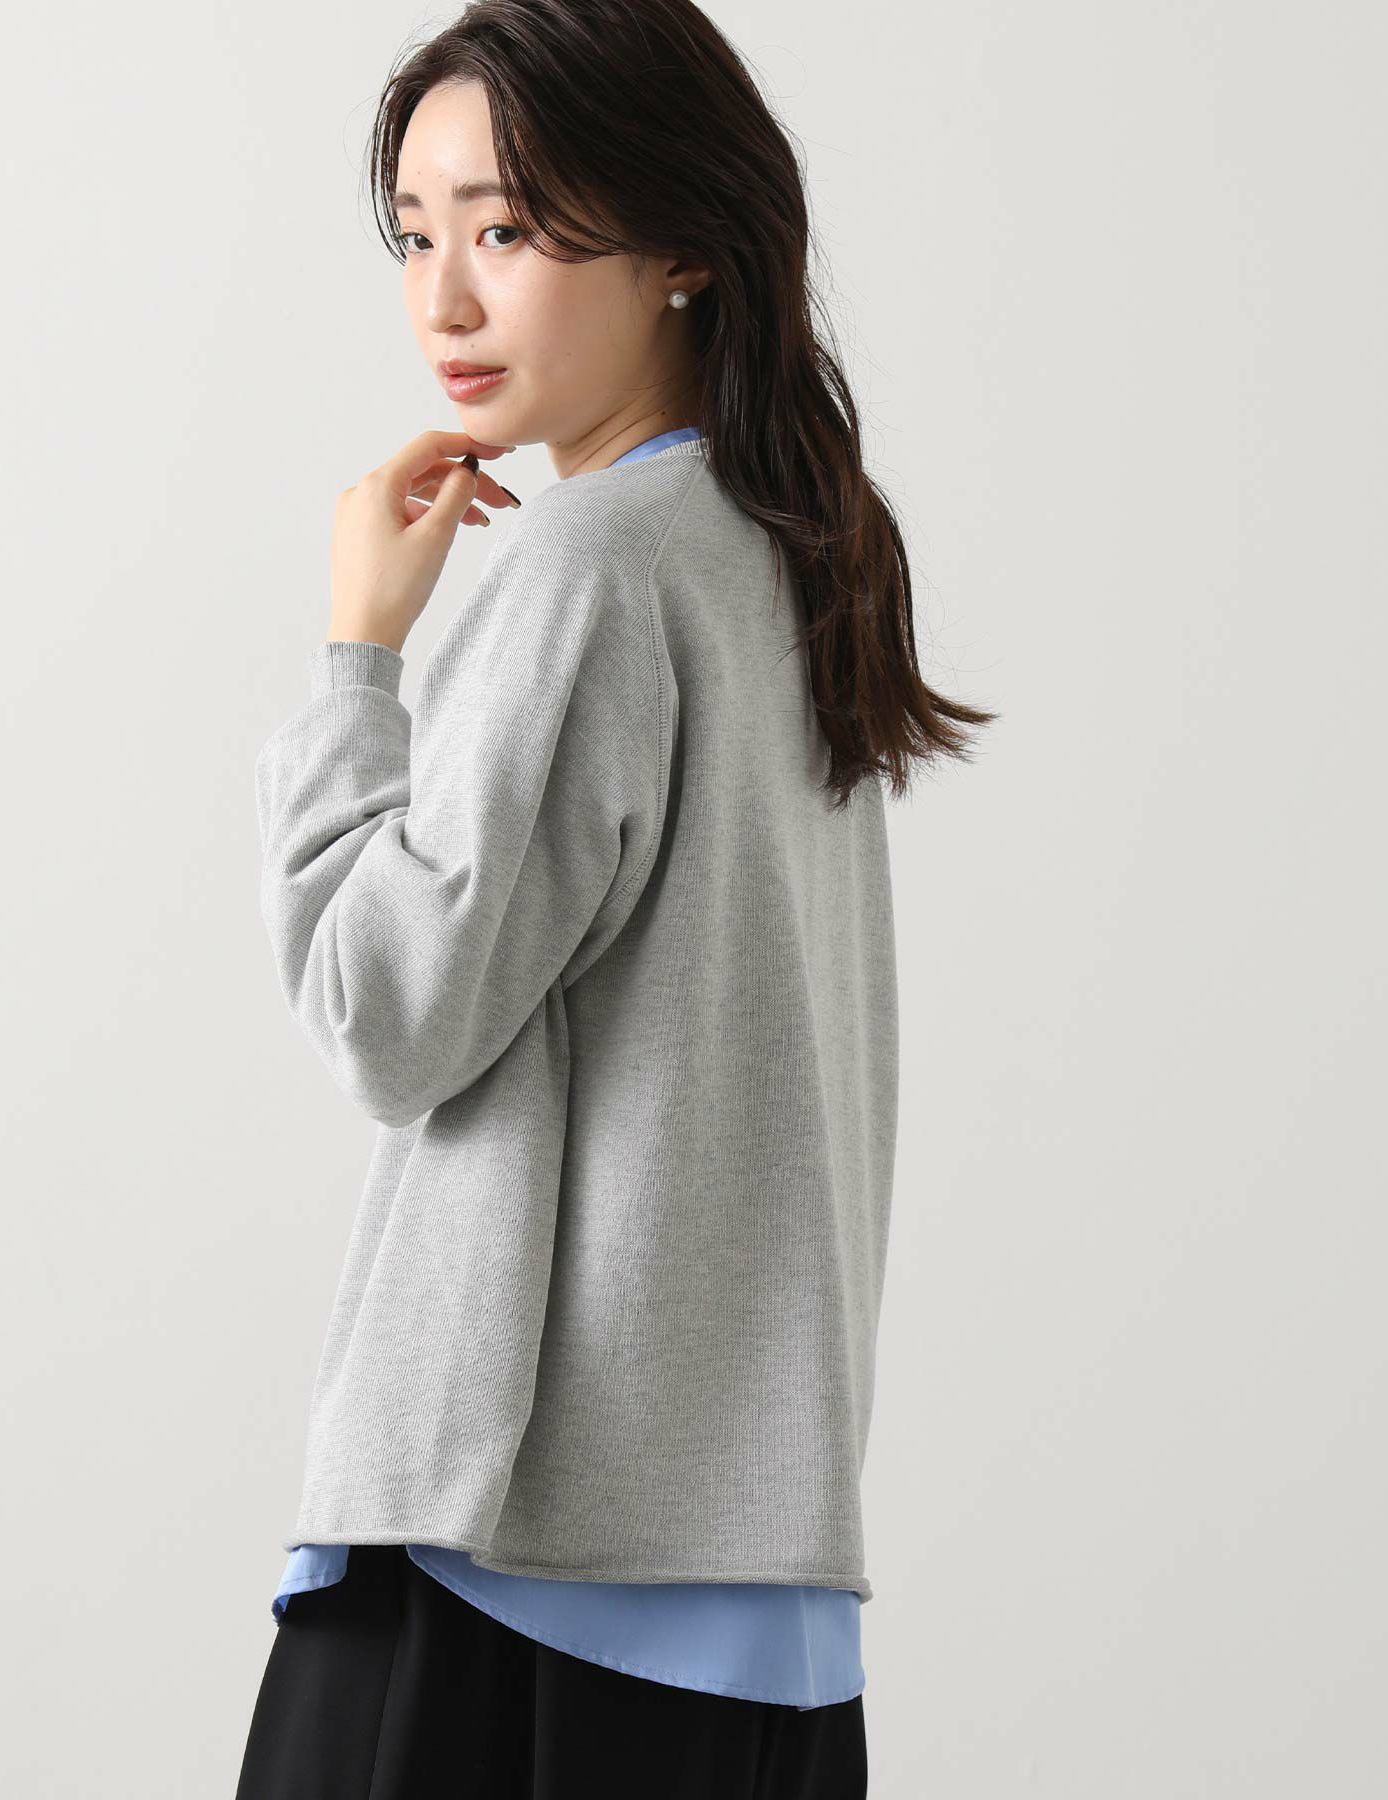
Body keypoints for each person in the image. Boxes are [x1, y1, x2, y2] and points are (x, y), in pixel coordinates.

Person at [236, 1, 994, 1793]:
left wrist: (357, 661)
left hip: (521, 1555)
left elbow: (388, 1014)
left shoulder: (594, 565)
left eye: (506, 229)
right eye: (414, 236)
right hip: (743, 1579)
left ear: (680, 248)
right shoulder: (790, 546)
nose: (444, 300)